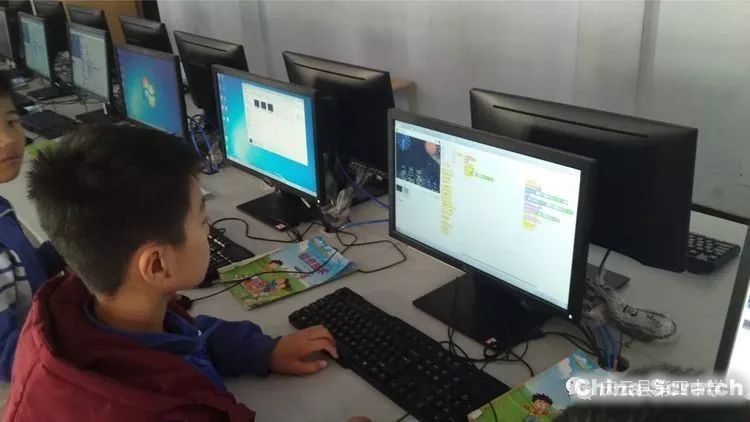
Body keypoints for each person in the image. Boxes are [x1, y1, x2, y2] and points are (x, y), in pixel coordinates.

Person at [3, 124, 345, 420]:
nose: (209, 232)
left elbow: (184, 339)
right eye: (203, 222)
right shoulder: (156, 410)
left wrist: (261, 351)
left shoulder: (79, 311)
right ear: (156, 265)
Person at [0, 71, 65, 382]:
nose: (7, 139)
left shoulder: (1, 207)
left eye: (11, 122)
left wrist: (78, 237)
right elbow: (8, 358)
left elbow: (27, 271)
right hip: (37, 379)